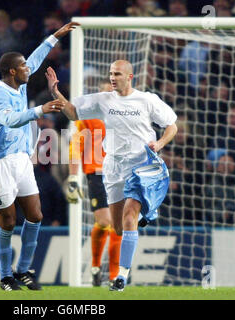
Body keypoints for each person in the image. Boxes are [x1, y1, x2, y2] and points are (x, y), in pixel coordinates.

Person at [46, 59, 177, 291]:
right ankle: (149, 211)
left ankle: (121, 276)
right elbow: (73, 113)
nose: (112, 78)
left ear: (130, 77)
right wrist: (56, 92)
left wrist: (160, 142)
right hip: (113, 169)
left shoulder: (147, 100)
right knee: (118, 228)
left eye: (117, 74)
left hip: (140, 166)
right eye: (110, 74)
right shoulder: (103, 100)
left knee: (129, 216)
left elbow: (171, 126)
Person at [0, 21, 79, 291]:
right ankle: (4, 276)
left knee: (35, 215)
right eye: (23, 67)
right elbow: (10, 120)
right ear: (12, 71)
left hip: (21, 158)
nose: (28, 69)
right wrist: (40, 110)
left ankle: (23, 270)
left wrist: (55, 36)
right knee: (8, 220)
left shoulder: (19, 84)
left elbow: (34, 58)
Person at [67, 79, 121, 286]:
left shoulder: (125, 117)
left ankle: (115, 277)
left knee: (119, 226)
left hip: (120, 175)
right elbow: (75, 147)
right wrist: (73, 178)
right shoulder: (88, 118)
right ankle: (96, 266)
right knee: (106, 222)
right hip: (97, 173)